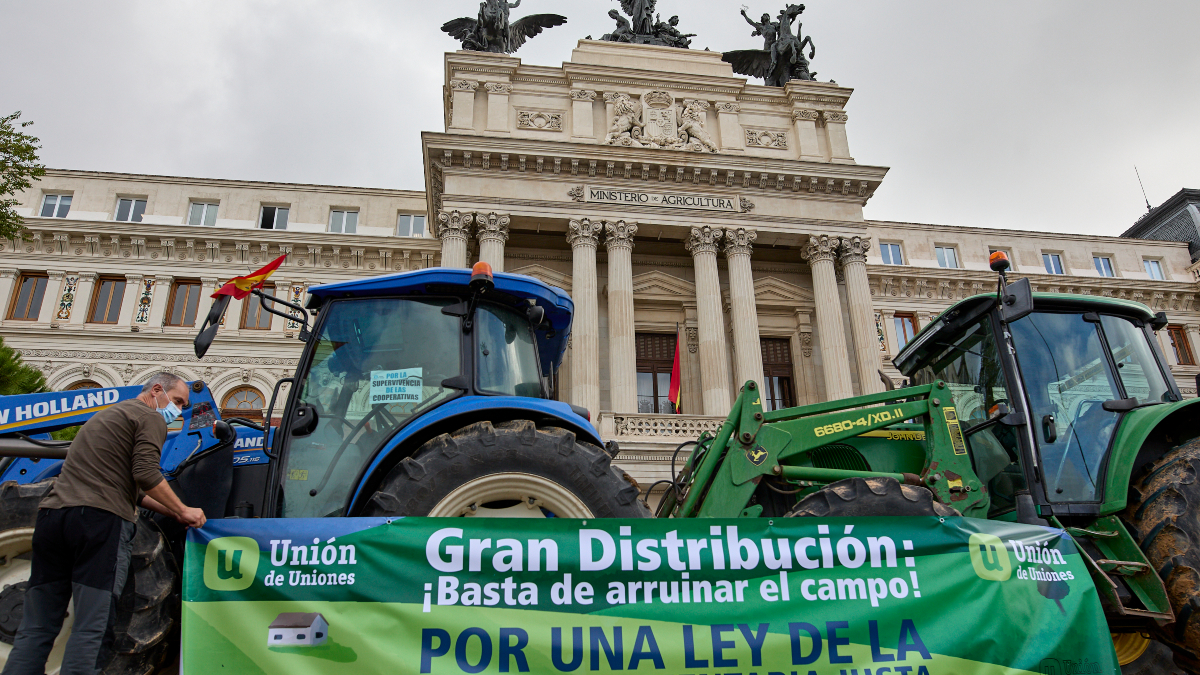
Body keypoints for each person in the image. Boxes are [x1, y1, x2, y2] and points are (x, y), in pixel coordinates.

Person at [2, 372, 206, 675]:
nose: (178, 410)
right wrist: (184, 509)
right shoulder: (150, 417)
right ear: (157, 390)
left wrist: (171, 511)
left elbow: (133, 488)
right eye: (177, 401)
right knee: (92, 629)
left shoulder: (104, 416)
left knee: (37, 627)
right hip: (97, 523)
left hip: (52, 519)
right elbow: (147, 474)